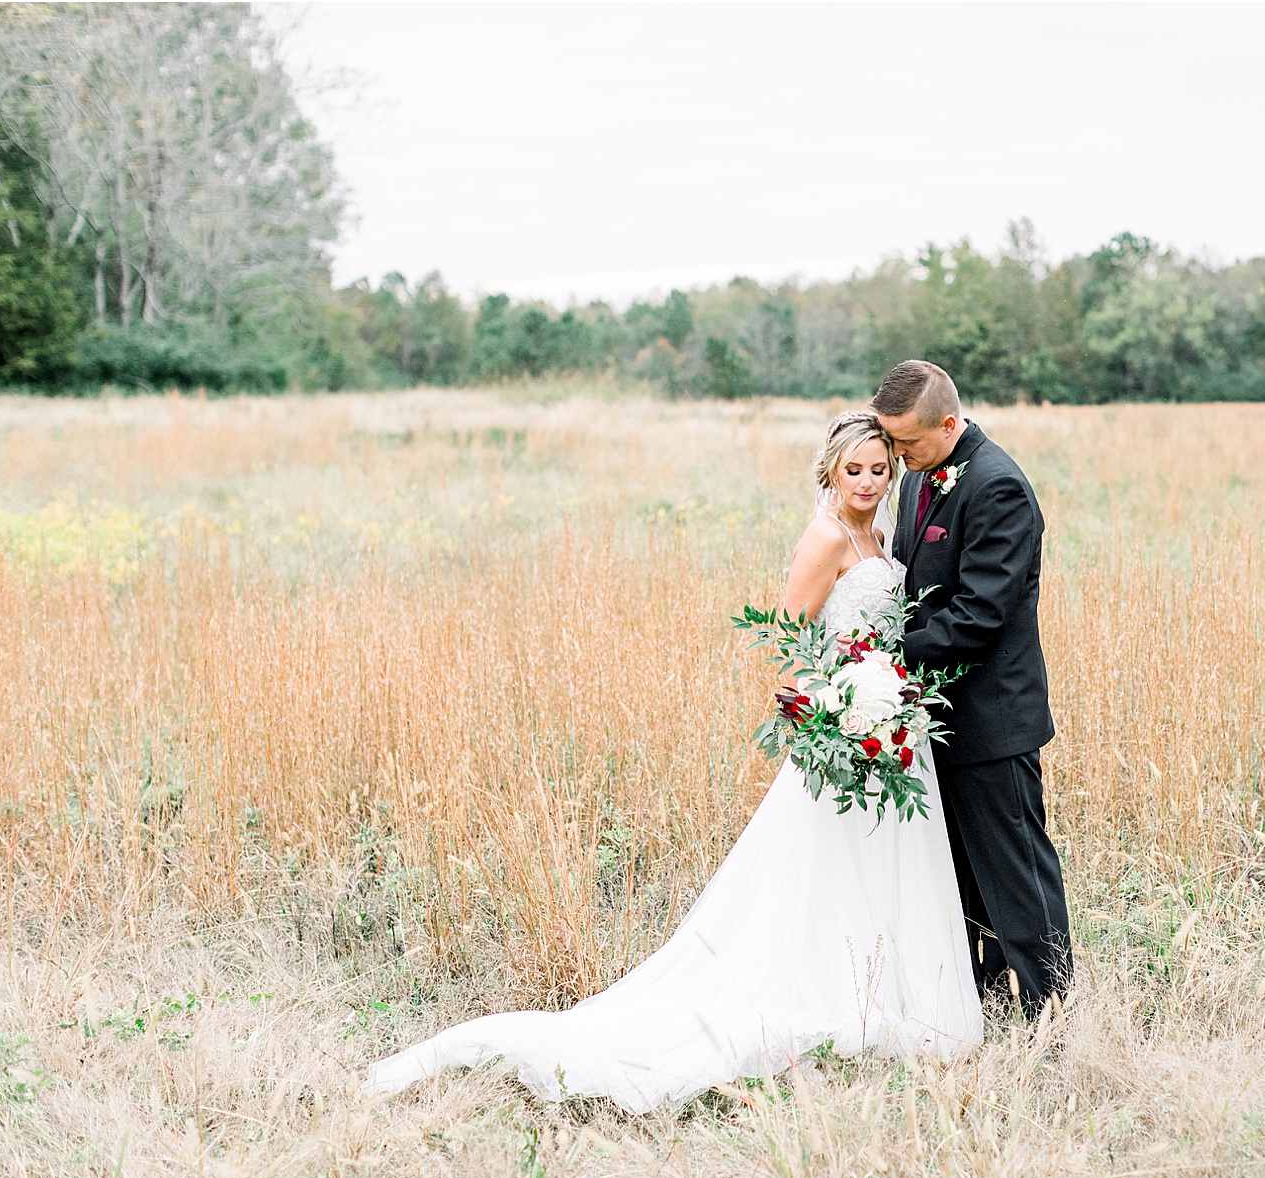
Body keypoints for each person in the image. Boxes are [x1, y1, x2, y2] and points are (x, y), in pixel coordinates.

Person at [362, 412, 982, 1114]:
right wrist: (834, 714)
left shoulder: (883, 533)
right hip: (847, 728)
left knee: (883, 860)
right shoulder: (824, 538)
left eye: (879, 469)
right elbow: (792, 647)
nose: (869, 482)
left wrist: (885, 698)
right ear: (829, 472)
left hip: (893, 727)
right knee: (825, 871)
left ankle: (884, 989)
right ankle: (830, 989)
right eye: (854, 470)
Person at [872, 360, 1073, 1018]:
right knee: (962, 875)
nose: (897, 456)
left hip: (991, 720)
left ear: (950, 424)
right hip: (933, 718)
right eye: (891, 442)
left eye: (907, 443)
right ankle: (990, 1000)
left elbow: (979, 614)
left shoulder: (998, 487)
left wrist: (883, 655)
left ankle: (1052, 1015)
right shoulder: (921, 479)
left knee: (1015, 873)